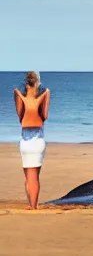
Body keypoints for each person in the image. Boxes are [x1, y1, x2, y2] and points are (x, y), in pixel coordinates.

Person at [13, 71, 51, 210]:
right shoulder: (45, 93)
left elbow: (20, 116)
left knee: (28, 175)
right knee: (34, 175)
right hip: (38, 139)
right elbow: (45, 115)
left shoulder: (18, 94)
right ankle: (33, 206)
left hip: (25, 139)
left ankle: (31, 204)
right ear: (37, 82)